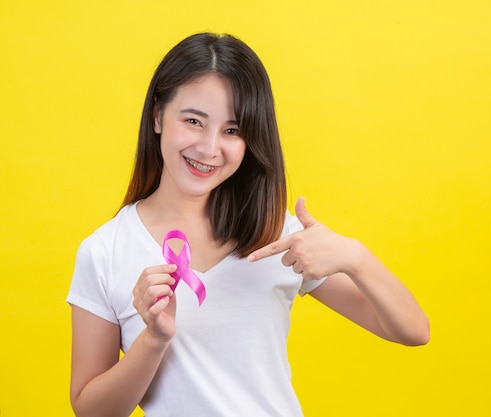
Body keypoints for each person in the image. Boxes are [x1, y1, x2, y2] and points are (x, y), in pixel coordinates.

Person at [67, 32, 429, 417]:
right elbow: (91, 410)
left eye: (232, 130)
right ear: (157, 116)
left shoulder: (277, 235)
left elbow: (412, 331)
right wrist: (153, 340)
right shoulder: (105, 251)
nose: (209, 148)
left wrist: (356, 257)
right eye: (193, 121)